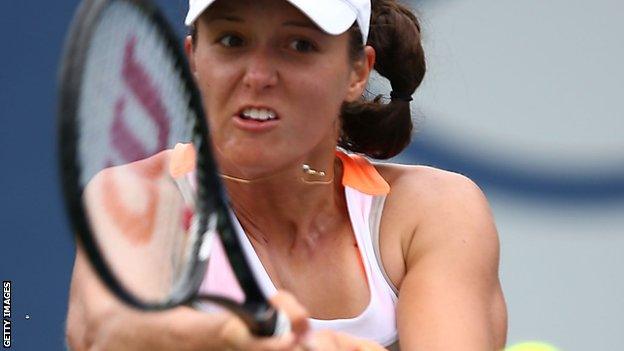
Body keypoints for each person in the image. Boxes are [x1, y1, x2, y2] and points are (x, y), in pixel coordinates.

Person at [66, 0, 507, 349]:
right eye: (232, 40)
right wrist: (233, 339)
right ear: (194, 58)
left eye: (299, 45)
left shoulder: (432, 211)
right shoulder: (137, 196)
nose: (257, 76)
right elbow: (106, 334)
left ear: (358, 72)